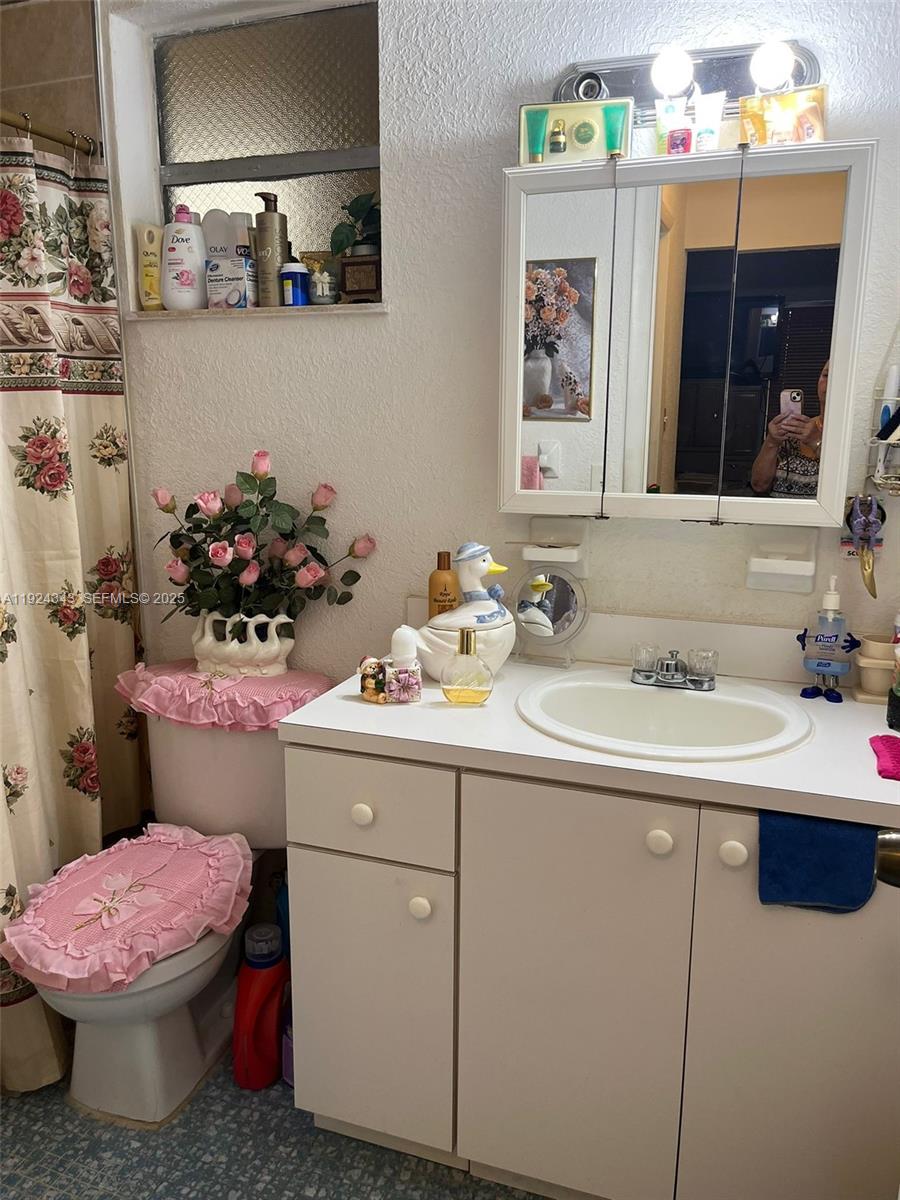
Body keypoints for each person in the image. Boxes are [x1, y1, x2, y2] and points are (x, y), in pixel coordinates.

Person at [750, 360, 828, 497]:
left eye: (836, 377)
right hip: (777, 509)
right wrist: (772, 442)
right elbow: (759, 485)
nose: (829, 382)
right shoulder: (795, 431)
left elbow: (846, 485)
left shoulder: (848, 435)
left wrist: (816, 441)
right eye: (826, 375)